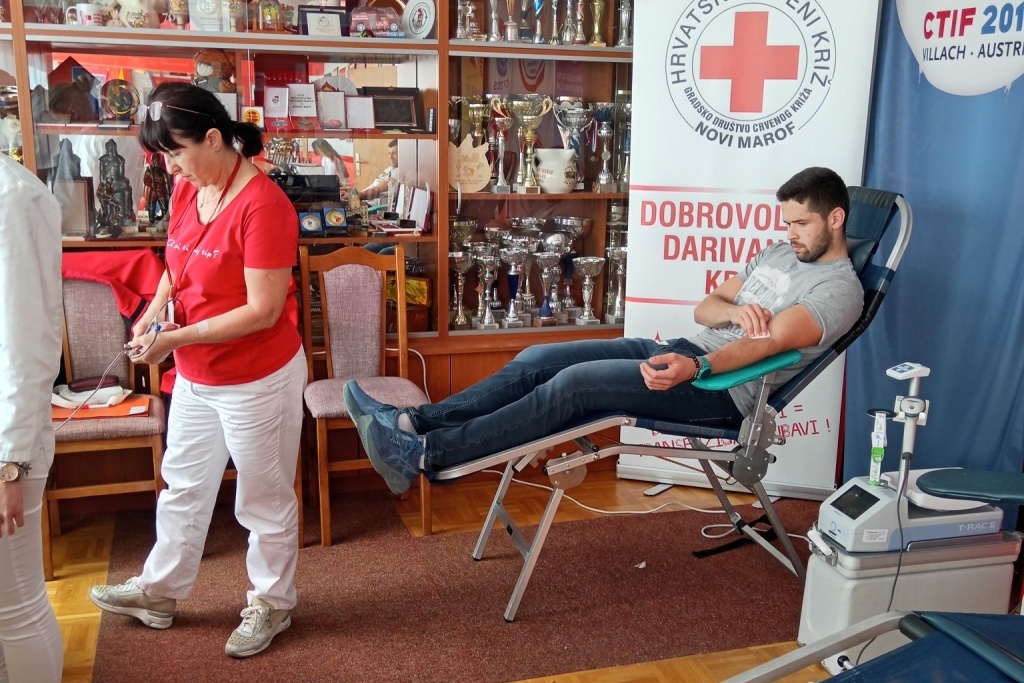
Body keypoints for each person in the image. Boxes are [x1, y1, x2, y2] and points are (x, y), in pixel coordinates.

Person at [344, 167, 865, 495]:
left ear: (835, 218)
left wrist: (698, 366)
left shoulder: (839, 290)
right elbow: (706, 308)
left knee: (574, 387)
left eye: (801, 224)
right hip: (681, 352)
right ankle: (414, 422)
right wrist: (732, 314)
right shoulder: (778, 254)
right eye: (787, 222)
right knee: (538, 359)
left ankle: (423, 454)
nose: (789, 234)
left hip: (719, 390)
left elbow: (770, 344)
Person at [88, 82, 306, 659]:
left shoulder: (265, 206)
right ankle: (159, 592)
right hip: (196, 374)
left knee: (263, 499)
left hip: (258, 380)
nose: (170, 167)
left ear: (214, 138)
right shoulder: (191, 187)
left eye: (176, 152)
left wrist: (175, 338)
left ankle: (272, 602)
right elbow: (175, 265)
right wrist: (153, 313)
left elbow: (263, 311)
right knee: (182, 486)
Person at [0, 151, 65, 681]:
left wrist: (10, 463)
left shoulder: (12, 197)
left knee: (16, 605)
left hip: (8, 441)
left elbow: (23, 346)